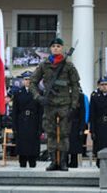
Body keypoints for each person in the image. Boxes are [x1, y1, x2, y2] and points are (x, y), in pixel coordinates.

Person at [29, 37, 80, 171]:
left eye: (58, 46)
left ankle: (63, 161)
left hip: (64, 104)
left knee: (63, 134)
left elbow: (75, 86)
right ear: (50, 49)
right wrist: (38, 97)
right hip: (49, 104)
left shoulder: (68, 65)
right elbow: (33, 82)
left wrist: (74, 105)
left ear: (61, 48)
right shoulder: (44, 65)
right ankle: (53, 160)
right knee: (51, 134)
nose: (56, 48)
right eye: (53, 46)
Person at [12, 74, 42, 168]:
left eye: (29, 79)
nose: (27, 81)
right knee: (22, 147)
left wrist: (41, 127)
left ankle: (33, 162)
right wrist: (14, 127)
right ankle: (22, 162)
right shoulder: (18, 93)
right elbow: (14, 112)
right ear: (23, 81)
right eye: (26, 79)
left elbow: (41, 112)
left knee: (33, 147)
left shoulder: (38, 92)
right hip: (22, 122)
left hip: (34, 122)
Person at [67, 87, 87, 168]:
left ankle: (74, 162)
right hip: (65, 123)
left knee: (74, 146)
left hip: (76, 124)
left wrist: (82, 127)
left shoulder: (80, 96)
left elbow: (82, 113)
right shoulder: (63, 95)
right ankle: (64, 161)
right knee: (64, 145)